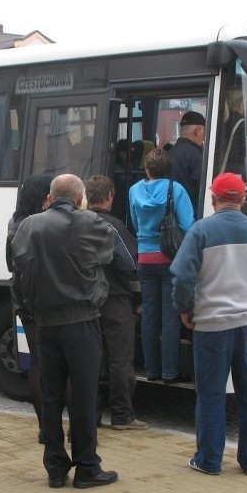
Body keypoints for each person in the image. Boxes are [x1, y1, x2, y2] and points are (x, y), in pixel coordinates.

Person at [11, 174, 127, 489]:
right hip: (82, 319)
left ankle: (55, 467)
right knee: (85, 394)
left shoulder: (29, 225)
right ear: (79, 199)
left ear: (51, 196)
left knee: (50, 396)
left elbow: (16, 266)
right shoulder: (90, 222)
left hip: (45, 323)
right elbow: (114, 258)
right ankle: (87, 467)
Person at [171, 172, 247, 477]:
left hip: (211, 325)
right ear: (243, 199)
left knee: (210, 394)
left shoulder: (201, 231)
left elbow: (183, 277)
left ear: (214, 199)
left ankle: (209, 460)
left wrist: (184, 309)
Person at [6, 173, 72, 443]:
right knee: (65, 362)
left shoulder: (15, 221)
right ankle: (73, 428)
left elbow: (11, 263)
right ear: (46, 197)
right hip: (50, 298)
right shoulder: (45, 223)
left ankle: (45, 427)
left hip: (23, 297)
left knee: (36, 361)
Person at [84, 175, 147, 430]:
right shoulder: (113, 226)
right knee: (119, 357)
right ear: (110, 196)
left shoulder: (77, 223)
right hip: (114, 299)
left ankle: (93, 414)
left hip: (85, 300)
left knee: (92, 358)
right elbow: (130, 264)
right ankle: (122, 414)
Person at [128, 149, 194, 384]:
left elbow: (135, 222)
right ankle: (169, 372)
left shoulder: (134, 190)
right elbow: (188, 225)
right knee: (170, 316)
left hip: (144, 259)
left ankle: (151, 370)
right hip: (169, 259)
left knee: (149, 315)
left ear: (147, 169)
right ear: (169, 169)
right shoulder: (176, 190)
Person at [168, 110, 206, 214]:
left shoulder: (168, 153)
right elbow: (202, 189)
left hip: (171, 217)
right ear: (198, 130)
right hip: (191, 215)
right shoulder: (196, 154)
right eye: (204, 131)